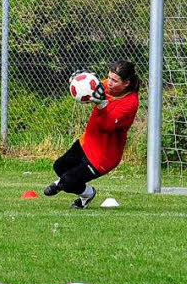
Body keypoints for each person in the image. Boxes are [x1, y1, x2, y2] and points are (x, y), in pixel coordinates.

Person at [44, 61, 141, 209]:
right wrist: (80, 79)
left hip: (103, 157)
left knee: (69, 182)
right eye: (109, 77)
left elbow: (107, 126)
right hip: (87, 142)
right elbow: (88, 91)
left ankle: (87, 194)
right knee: (59, 166)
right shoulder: (105, 85)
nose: (109, 83)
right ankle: (74, 186)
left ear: (126, 83)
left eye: (115, 80)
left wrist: (102, 105)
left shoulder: (130, 102)